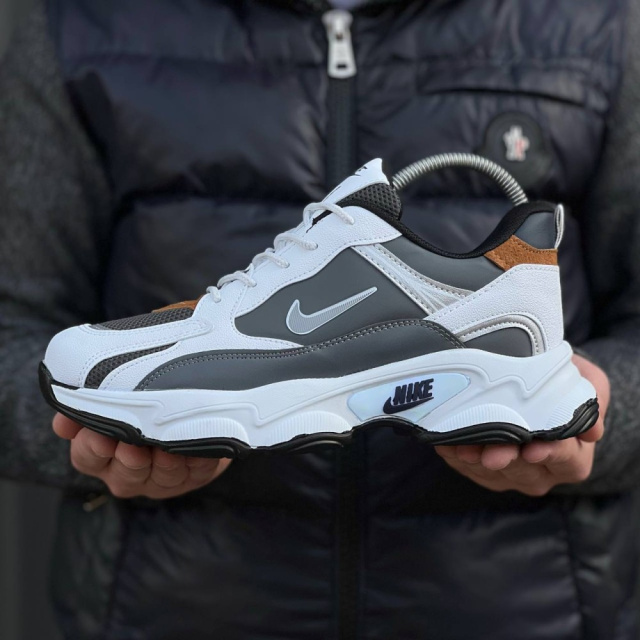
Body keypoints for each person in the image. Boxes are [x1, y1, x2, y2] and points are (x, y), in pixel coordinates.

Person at [0, 0, 638, 638]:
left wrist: (604, 421)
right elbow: (15, 328)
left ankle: (496, 348)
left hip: (525, 610)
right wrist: (85, 443)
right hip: (173, 606)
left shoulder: (605, 22)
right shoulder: (74, 18)